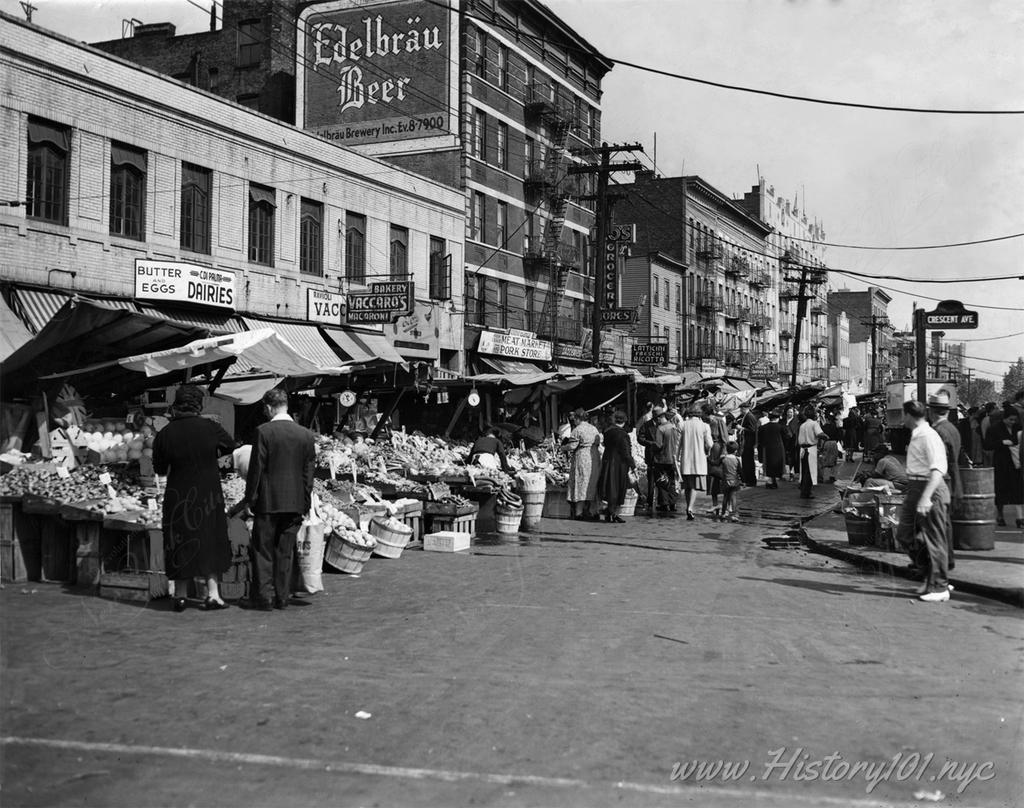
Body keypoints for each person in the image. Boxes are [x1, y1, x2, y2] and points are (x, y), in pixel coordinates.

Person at [152, 384, 235, 612]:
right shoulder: (210, 427)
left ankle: (179, 596)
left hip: (178, 494)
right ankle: (213, 595)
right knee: (210, 540)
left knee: (180, 541)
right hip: (208, 493)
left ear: (176, 406)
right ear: (198, 405)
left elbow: (159, 468)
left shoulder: (165, 433)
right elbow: (230, 445)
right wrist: (212, 454)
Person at [243, 388, 317, 610]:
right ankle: (282, 597)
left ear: (267, 407)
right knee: (285, 551)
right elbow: (308, 475)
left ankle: (263, 597)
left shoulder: (263, 432)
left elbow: (257, 469)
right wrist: (305, 503)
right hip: (295, 503)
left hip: (268, 502)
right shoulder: (305, 435)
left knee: (263, 551)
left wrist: (250, 500)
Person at [895, 400, 951, 602]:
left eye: (903, 414)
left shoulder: (929, 436)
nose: (902, 418)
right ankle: (931, 575)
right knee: (904, 534)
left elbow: (937, 469)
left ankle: (939, 586)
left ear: (909, 415)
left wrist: (926, 497)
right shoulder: (918, 435)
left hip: (931, 488)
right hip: (916, 486)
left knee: (934, 539)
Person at [928, 391, 962, 569]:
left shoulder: (937, 432)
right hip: (951, 480)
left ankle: (939, 563)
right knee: (945, 522)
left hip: (939, 481)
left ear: (932, 411)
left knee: (936, 523)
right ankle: (947, 559)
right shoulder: (952, 429)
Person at [985, 405, 1023, 528]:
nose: (1012, 422)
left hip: (1015, 463)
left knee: (1017, 489)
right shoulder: (995, 428)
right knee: (1000, 490)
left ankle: (1020, 517)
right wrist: (1001, 443)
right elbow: (987, 445)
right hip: (1001, 462)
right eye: (1010, 420)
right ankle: (1000, 515)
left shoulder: (1018, 428)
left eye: (1014, 420)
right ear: (1004, 418)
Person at [597, 411, 636, 523]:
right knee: (617, 487)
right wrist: (633, 465)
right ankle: (613, 513)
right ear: (624, 421)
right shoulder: (623, 434)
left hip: (608, 461)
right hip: (619, 464)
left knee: (610, 487)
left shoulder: (608, 432)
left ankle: (610, 512)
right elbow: (626, 452)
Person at [564, 407, 602, 520]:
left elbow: (572, 446)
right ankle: (594, 511)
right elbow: (598, 442)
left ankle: (579, 512)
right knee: (592, 483)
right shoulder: (594, 428)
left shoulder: (577, 430)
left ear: (577, 419)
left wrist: (562, 448)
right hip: (594, 457)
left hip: (582, 457)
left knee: (581, 483)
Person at [678, 406, 713, 521]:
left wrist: (677, 458)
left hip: (685, 459)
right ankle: (690, 508)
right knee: (693, 486)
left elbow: (678, 444)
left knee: (688, 486)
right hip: (699, 460)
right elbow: (709, 444)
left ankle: (689, 506)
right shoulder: (704, 426)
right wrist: (707, 451)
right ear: (700, 415)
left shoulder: (682, 424)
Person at [636, 406, 664, 512]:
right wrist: (650, 443)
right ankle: (650, 500)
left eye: (660, 416)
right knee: (651, 478)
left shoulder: (665, 425)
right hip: (651, 454)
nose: (658, 419)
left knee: (662, 478)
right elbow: (640, 438)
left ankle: (663, 501)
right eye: (657, 417)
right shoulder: (647, 425)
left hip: (662, 455)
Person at [653, 408, 681, 512]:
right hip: (672, 458)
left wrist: (652, 447)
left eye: (658, 418)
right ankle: (672, 503)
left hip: (661, 459)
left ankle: (664, 504)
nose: (657, 420)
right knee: (672, 481)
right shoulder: (674, 427)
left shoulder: (660, 429)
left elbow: (658, 445)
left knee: (662, 481)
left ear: (661, 417)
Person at [706, 405, 729, 516]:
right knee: (711, 478)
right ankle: (715, 503)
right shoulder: (707, 423)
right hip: (711, 451)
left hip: (719, 450)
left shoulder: (719, 421)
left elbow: (725, 439)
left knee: (722, 478)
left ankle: (727, 505)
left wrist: (724, 453)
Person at [798, 406, 825, 499]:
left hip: (802, 450)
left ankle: (803, 490)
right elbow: (820, 434)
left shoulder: (802, 425)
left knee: (804, 471)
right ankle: (806, 492)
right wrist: (826, 436)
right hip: (811, 449)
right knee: (810, 472)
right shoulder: (814, 424)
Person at [757, 410, 786, 489]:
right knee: (776, 465)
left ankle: (770, 481)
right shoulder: (781, 427)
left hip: (767, 449)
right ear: (777, 418)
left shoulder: (763, 427)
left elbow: (760, 439)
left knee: (768, 465)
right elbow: (786, 437)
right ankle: (773, 481)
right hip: (778, 449)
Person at [719, 440, 743, 523]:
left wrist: (709, 460)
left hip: (725, 481)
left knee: (725, 497)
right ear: (736, 451)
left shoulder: (723, 459)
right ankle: (734, 514)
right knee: (733, 498)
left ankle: (723, 513)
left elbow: (716, 463)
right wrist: (743, 480)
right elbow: (740, 471)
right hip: (734, 481)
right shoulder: (736, 460)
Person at [737, 402, 759, 487]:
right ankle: (747, 479)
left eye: (741, 408)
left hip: (749, 443)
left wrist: (741, 428)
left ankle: (751, 480)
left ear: (745, 408)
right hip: (746, 442)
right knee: (746, 461)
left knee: (748, 462)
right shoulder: (746, 416)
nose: (740, 410)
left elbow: (752, 430)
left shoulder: (749, 416)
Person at [819, 413, 843, 483]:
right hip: (834, 443)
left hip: (826, 443)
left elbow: (820, 436)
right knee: (833, 461)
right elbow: (839, 436)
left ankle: (821, 477)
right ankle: (832, 476)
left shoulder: (823, 427)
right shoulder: (835, 427)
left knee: (823, 460)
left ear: (827, 420)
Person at [782, 405, 800, 481]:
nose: (790, 413)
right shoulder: (783, 420)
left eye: (791, 412)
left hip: (794, 443)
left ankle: (792, 473)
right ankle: (786, 473)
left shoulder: (796, 421)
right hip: (784, 442)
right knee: (786, 458)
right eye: (789, 412)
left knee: (793, 458)